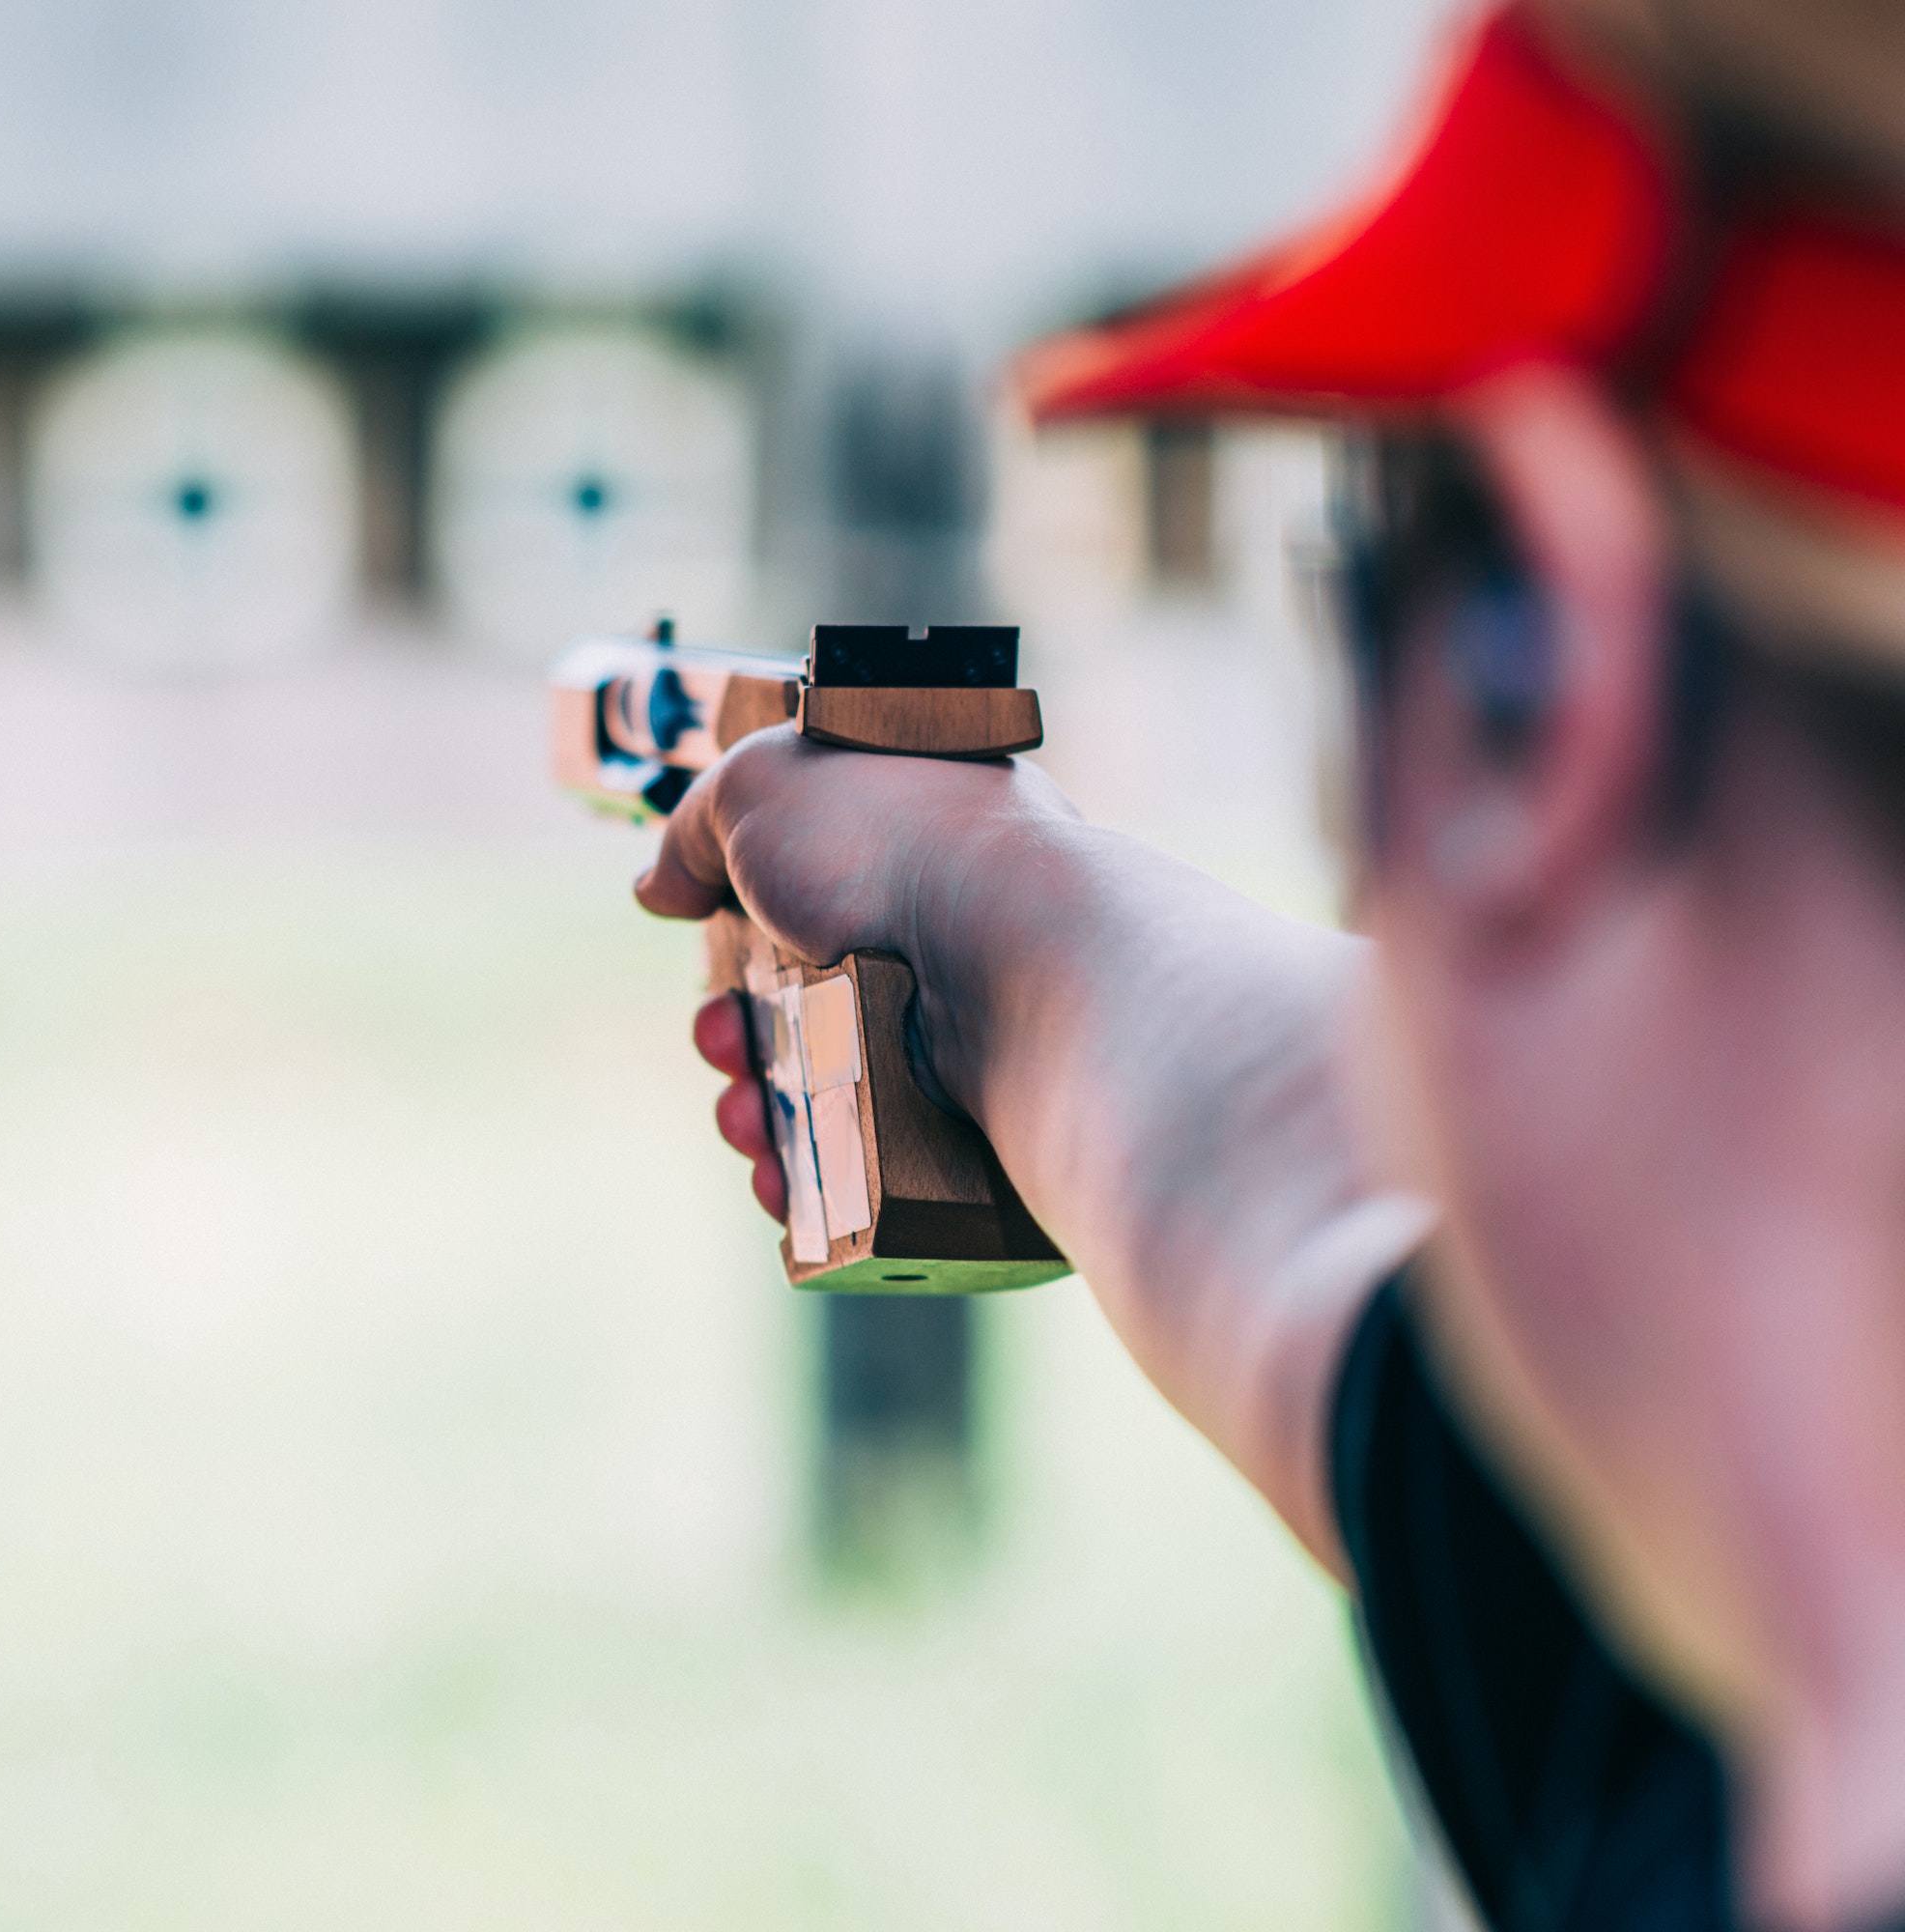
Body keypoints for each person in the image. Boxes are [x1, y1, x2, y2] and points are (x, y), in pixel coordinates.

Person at [637, 3, 1905, 1924]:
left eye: (1373, 591)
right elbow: (1325, 1242)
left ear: (1537, 685)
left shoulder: (1725, 1755)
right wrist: (974, 905)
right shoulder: (1738, 1676)